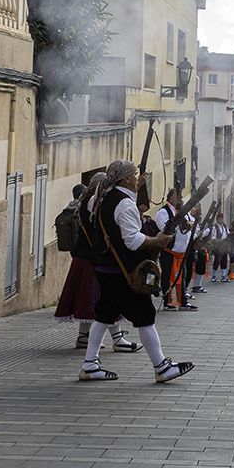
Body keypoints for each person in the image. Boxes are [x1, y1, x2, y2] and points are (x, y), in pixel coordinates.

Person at [78, 159, 193, 383]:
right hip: (123, 270)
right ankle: (161, 366)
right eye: (134, 174)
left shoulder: (100, 199)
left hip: (106, 267)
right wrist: (157, 240)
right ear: (126, 178)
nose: (138, 177)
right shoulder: (124, 204)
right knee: (145, 316)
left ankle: (90, 365)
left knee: (104, 314)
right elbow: (132, 241)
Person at [55, 175, 140, 353]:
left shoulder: (86, 201)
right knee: (104, 298)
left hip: (85, 256)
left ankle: (85, 337)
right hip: (93, 258)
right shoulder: (94, 202)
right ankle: (116, 339)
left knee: (91, 299)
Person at [155, 188, 196, 312]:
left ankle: (182, 301)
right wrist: (180, 222)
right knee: (167, 276)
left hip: (181, 252)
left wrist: (188, 223)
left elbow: (193, 223)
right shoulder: (163, 212)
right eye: (177, 197)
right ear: (171, 198)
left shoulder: (183, 212)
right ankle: (168, 302)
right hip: (169, 252)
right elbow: (165, 228)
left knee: (181, 277)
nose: (180, 199)